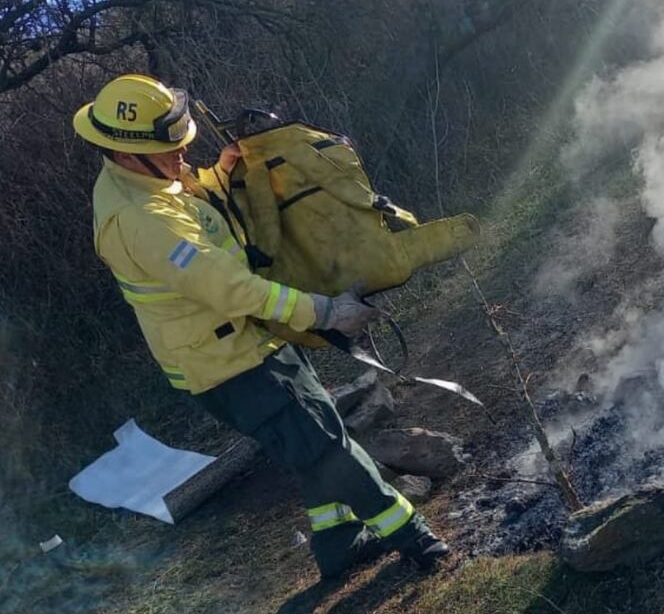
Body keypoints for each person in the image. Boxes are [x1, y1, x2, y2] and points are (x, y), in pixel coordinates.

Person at [72, 73, 450, 580]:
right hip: (231, 365)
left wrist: (224, 172)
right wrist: (325, 312)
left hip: (248, 342)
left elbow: (191, 192)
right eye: (171, 151)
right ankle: (415, 538)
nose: (183, 158)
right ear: (125, 152)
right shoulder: (141, 221)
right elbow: (231, 288)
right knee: (327, 448)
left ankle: (339, 546)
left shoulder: (145, 176)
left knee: (316, 438)